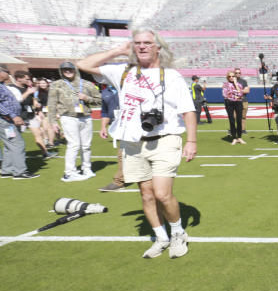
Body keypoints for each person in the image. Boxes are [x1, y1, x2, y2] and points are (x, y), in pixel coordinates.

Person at [77, 28, 197, 259]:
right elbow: (83, 64)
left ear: (157, 47)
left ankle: (178, 232)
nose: (142, 46)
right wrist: (118, 50)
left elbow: (188, 110)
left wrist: (191, 141)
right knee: (146, 195)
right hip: (132, 142)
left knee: (162, 194)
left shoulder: (171, 76)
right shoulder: (123, 71)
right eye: (137, 43)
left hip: (165, 139)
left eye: (147, 43)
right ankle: (160, 237)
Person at [47, 61, 101, 182]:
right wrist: (52, 121)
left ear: (75, 70)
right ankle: (69, 173)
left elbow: (99, 101)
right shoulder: (57, 84)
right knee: (74, 145)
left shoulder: (87, 84)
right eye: (65, 69)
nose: (68, 71)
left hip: (85, 117)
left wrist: (87, 98)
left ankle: (86, 168)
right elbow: (51, 104)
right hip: (68, 117)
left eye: (70, 69)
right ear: (61, 71)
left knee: (86, 145)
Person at [0, 64, 38, 179]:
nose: (9, 73)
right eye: (6, 71)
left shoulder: (2, 86)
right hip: (7, 121)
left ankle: (7, 170)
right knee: (17, 144)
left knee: (9, 145)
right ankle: (20, 172)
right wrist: (13, 116)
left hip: (8, 120)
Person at [12, 70, 54, 159]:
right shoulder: (12, 88)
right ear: (18, 79)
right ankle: (14, 157)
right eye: (26, 79)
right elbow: (16, 101)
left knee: (38, 133)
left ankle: (45, 153)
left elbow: (33, 100)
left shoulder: (28, 87)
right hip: (18, 116)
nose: (29, 80)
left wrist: (37, 107)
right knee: (14, 138)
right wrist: (28, 92)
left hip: (30, 115)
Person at [97, 83, 127, 192]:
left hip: (134, 126)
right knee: (122, 154)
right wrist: (103, 127)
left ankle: (119, 180)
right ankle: (119, 181)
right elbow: (105, 112)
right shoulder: (105, 92)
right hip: (118, 128)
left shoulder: (130, 86)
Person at [222, 71, 246, 145]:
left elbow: (241, 93)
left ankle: (239, 137)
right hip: (229, 103)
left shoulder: (239, 84)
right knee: (232, 120)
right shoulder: (225, 85)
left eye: (233, 76)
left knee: (239, 120)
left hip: (238, 102)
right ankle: (234, 138)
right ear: (227, 77)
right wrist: (235, 96)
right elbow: (225, 94)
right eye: (230, 76)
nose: (231, 77)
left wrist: (235, 84)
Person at [234, 68, 250, 134]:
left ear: (241, 73)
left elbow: (247, 90)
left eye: (239, 73)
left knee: (243, 116)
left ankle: (243, 129)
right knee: (234, 116)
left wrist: (238, 91)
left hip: (244, 101)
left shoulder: (244, 81)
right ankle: (234, 129)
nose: (238, 74)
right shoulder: (231, 81)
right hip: (234, 101)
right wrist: (242, 91)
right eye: (236, 73)